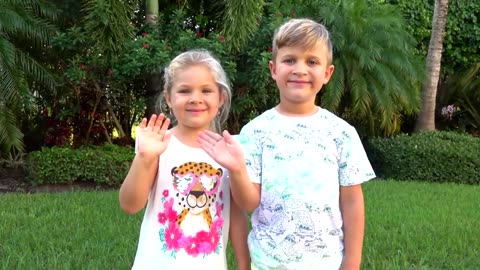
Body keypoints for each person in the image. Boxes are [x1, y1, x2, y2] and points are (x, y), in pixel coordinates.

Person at [198, 18, 376, 270]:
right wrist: (237, 169)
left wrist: (352, 263)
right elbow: (248, 204)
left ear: (327, 73)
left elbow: (352, 202)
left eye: (311, 61)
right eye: (290, 60)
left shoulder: (341, 133)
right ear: (273, 69)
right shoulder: (255, 131)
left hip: (326, 263)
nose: (300, 69)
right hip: (268, 262)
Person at [119, 49, 249, 270]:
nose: (195, 99)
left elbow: (237, 215)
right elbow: (130, 205)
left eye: (206, 90)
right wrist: (145, 157)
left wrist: (244, 264)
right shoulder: (156, 143)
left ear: (221, 98)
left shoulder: (229, 151)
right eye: (184, 90)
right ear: (169, 97)